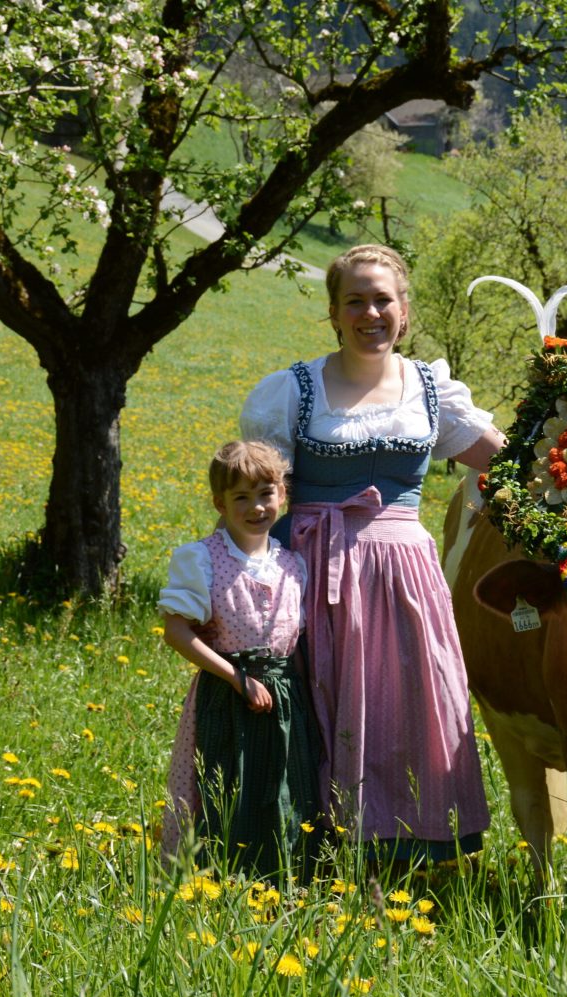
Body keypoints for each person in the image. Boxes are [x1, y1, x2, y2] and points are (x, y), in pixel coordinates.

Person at [240, 244, 505, 864]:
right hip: (309, 575)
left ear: (404, 311)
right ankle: (308, 850)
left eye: (382, 299)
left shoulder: (430, 390)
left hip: (405, 579)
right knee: (315, 704)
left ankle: (412, 851)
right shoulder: (293, 392)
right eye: (354, 301)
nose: (370, 313)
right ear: (333, 313)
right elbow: (251, 501)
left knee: (413, 704)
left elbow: (504, 461)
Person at [159, 440, 321, 878]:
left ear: (282, 495)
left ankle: (284, 879)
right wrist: (237, 678)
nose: (256, 507)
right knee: (226, 786)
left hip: (286, 700)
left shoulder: (292, 565)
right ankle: (216, 881)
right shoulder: (202, 559)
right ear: (220, 503)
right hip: (225, 698)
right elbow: (176, 632)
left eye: (265, 493)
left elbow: (294, 646)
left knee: (284, 788)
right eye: (241, 497)